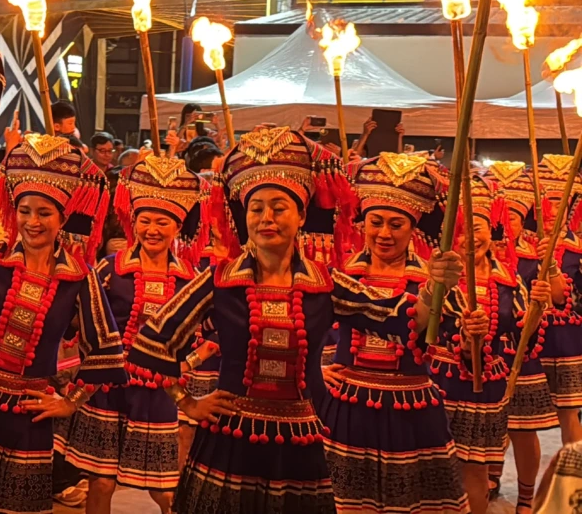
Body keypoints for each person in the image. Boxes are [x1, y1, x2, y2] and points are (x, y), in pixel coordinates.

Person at [126, 126, 424, 514]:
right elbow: (153, 340)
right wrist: (189, 403)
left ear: (301, 214)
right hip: (230, 436)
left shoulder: (324, 282)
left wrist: (435, 290)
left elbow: (393, 314)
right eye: (256, 208)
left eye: (279, 207)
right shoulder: (220, 280)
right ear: (245, 216)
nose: (267, 217)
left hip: (299, 439)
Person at [0, 133, 134, 514]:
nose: (32, 222)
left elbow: (105, 348)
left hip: (26, 414)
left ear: (63, 218)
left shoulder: (78, 278)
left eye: (44, 213)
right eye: (25, 211)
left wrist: (70, 402)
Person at [59, 156, 213, 514]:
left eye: (163, 222)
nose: (152, 229)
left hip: (159, 391)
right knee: (101, 481)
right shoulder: (110, 269)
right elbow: (82, 317)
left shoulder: (191, 279)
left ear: (177, 227)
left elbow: (207, 337)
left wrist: (182, 367)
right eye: (145, 220)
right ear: (134, 223)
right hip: (108, 387)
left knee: (165, 489)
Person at [320, 152, 468, 513]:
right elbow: (308, 331)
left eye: (395, 224)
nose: (384, 233)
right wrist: (314, 371)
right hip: (346, 403)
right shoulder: (338, 274)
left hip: (410, 406)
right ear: (362, 224)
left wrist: (470, 330)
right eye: (376, 222)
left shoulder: (433, 278)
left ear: (413, 227)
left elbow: (455, 339)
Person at [428, 175, 560, 514]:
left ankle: (526, 500)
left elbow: (525, 339)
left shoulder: (508, 277)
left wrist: (536, 308)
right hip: (440, 383)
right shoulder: (434, 278)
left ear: (492, 230)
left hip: (489, 385)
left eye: (478, 227)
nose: (470, 238)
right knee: (437, 469)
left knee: (476, 467)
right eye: (459, 230)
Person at [521, 156, 582, 446]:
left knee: (568, 410)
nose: (552, 211)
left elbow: (567, 297)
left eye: (560, 204)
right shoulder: (521, 243)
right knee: (517, 414)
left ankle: (573, 473)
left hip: (567, 338)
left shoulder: (577, 247)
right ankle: (496, 474)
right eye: (547, 204)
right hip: (529, 336)